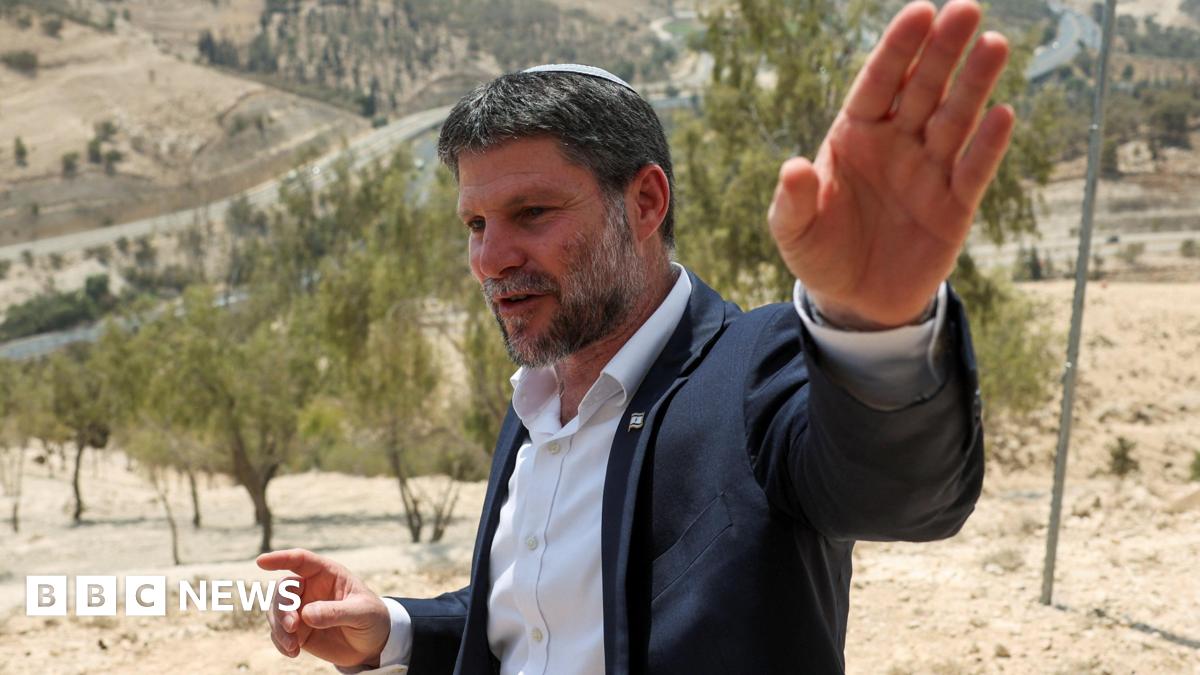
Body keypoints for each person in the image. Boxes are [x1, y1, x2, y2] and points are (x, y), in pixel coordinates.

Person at [257, 1, 1012, 672]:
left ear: (645, 202)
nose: (491, 258)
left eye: (532, 213)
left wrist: (875, 324)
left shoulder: (756, 370)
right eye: (476, 225)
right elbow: (543, 623)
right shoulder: (536, 406)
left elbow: (903, 494)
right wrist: (392, 628)